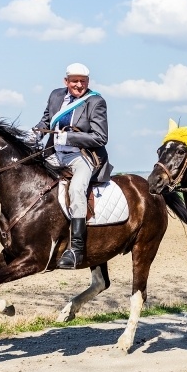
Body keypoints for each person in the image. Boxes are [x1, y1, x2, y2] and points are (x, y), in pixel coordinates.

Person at [33, 62, 113, 270]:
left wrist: (70, 137)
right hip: (54, 155)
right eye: (75, 81)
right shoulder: (55, 96)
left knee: (77, 190)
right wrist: (39, 130)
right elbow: (46, 120)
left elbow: (100, 137)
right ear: (66, 81)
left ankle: (76, 249)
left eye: (83, 81)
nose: (79, 85)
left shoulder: (95, 101)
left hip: (81, 156)